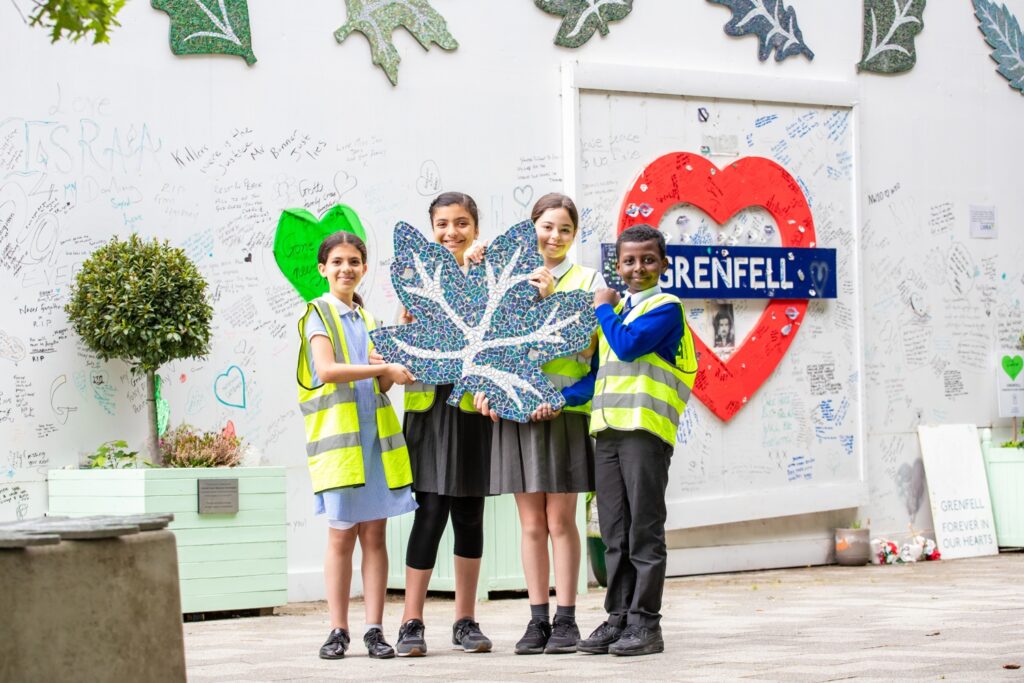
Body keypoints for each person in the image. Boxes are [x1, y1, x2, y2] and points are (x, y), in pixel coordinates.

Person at [474, 192, 603, 655]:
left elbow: (588, 352)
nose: (555, 237)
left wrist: (552, 301)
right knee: (530, 523)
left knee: (560, 519)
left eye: (565, 229)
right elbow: (485, 341)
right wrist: (485, 388)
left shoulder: (588, 280)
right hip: (515, 412)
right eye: (547, 226)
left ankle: (567, 619)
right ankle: (537, 621)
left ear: (574, 235)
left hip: (562, 414)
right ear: (532, 227)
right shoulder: (507, 275)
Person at [575, 224, 697, 657]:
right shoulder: (618, 313)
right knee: (613, 531)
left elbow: (627, 348)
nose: (638, 267)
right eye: (629, 260)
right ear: (618, 265)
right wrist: (550, 399)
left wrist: (603, 308)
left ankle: (646, 623)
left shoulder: (666, 309)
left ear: (663, 264)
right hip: (607, 432)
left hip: (644, 433)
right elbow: (597, 380)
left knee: (644, 529)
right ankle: (618, 617)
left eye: (648, 259)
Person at [297, 230, 418, 661]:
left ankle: (373, 629)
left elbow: (382, 381)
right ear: (322, 269)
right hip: (341, 448)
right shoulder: (317, 314)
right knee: (340, 538)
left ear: (364, 269)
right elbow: (327, 370)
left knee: (375, 536)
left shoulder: (368, 321)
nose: (346, 269)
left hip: (375, 443)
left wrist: (396, 359)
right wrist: (382, 368)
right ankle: (337, 629)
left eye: (354, 262)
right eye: (338, 262)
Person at [396, 191, 495, 657]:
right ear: (430, 229)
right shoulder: (414, 280)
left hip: (472, 411)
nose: (451, 232)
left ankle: (465, 620)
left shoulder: (488, 276)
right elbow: (402, 340)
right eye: (441, 224)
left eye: (461, 223)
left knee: (469, 516)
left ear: (475, 228)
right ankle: (410, 622)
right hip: (429, 413)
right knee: (430, 513)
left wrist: (476, 274)